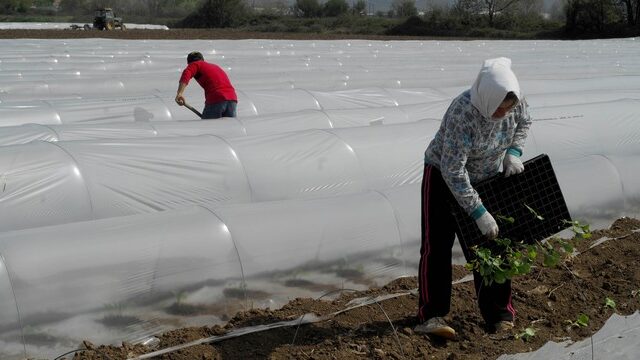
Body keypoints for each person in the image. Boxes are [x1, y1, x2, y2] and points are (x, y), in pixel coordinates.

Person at [414, 57, 532, 339]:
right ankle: (431, 316)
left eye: (508, 109)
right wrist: (478, 213)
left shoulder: (515, 101)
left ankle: (500, 315)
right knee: (437, 247)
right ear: (487, 99)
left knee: (493, 248)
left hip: (486, 178)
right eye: (498, 110)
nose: (503, 114)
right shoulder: (463, 112)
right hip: (443, 178)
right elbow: (453, 170)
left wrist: (514, 151)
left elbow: (524, 122)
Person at [175, 51, 238, 119]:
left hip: (216, 98)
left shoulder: (195, 64)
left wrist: (179, 93)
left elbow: (186, 74)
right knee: (228, 128)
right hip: (232, 99)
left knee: (208, 127)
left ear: (189, 62)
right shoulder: (214, 66)